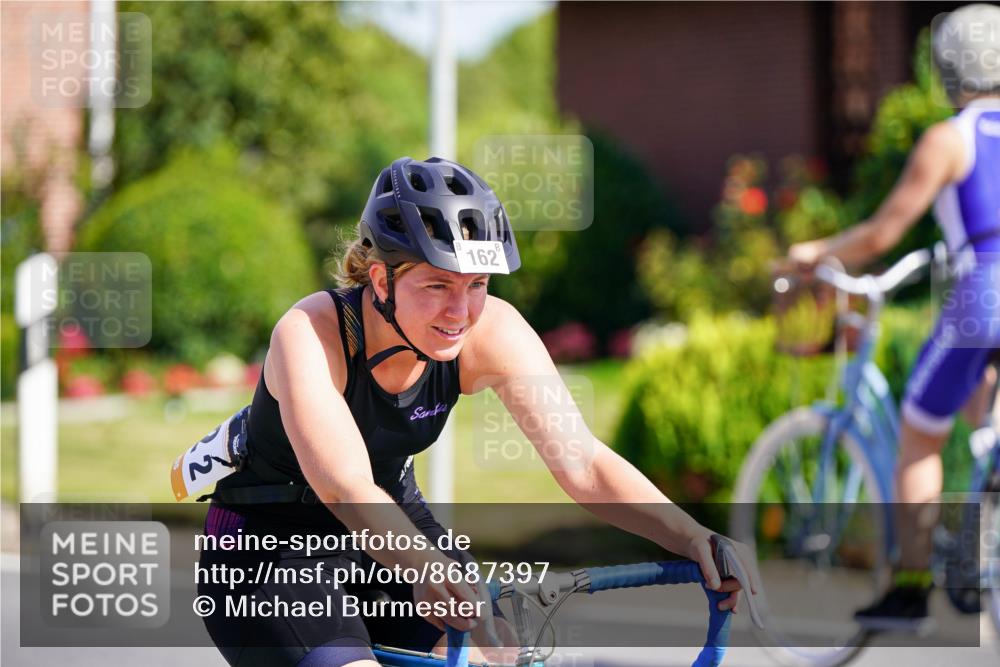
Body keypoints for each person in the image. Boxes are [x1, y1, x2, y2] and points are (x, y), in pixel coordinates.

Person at [197, 156, 755, 667]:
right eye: (437, 284)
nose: (459, 312)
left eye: (478, 285)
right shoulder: (311, 333)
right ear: (380, 280)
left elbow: (582, 462)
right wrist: (427, 569)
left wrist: (693, 538)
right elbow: (346, 488)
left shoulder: (490, 331)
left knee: (498, 657)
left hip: (393, 526)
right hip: (270, 549)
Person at [788, 4, 1000, 631]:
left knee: (917, 433)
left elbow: (882, 233)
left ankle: (910, 590)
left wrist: (814, 253)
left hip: (986, 295)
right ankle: (977, 520)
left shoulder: (951, 137)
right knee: (979, 409)